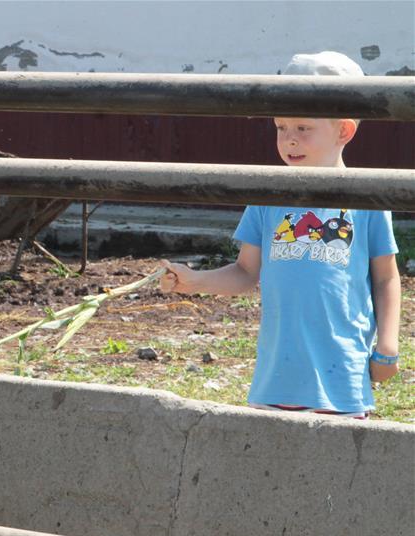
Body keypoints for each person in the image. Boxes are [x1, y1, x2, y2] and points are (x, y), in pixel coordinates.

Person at [161, 51, 401, 418]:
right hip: (277, 379)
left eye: (303, 128)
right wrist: (193, 281)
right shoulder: (268, 194)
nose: (289, 139)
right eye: (281, 127)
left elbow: (385, 278)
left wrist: (387, 345)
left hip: (342, 381)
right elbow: (245, 272)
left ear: (344, 130)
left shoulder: (367, 196)